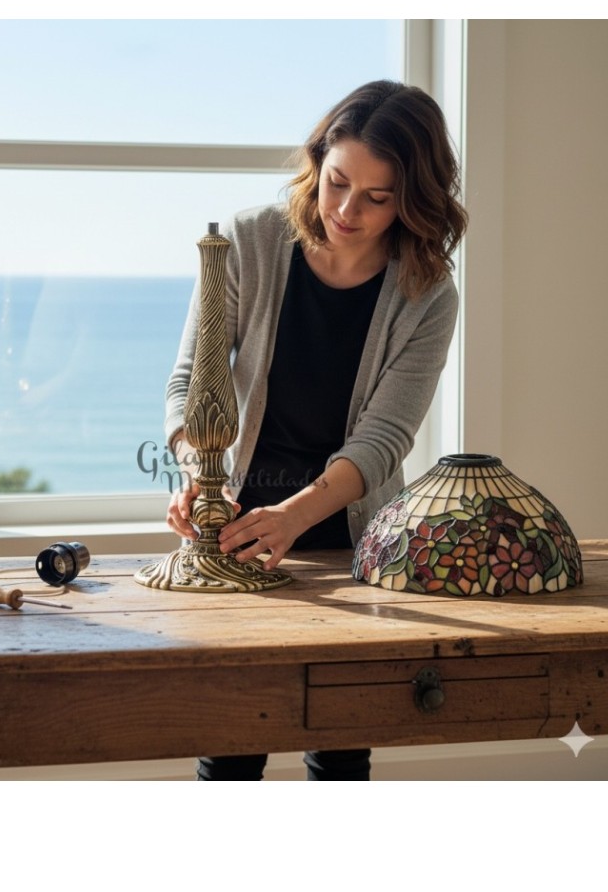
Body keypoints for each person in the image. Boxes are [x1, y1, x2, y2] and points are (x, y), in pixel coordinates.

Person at [164, 80, 468, 781]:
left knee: (339, 751)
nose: (345, 210)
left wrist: (294, 518)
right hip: (237, 530)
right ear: (317, 162)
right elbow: (187, 384)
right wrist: (196, 476)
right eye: (337, 182)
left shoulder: (429, 295)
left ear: (413, 201)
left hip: (351, 543)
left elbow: (384, 438)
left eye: (376, 197)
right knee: (232, 748)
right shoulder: (250, 242)